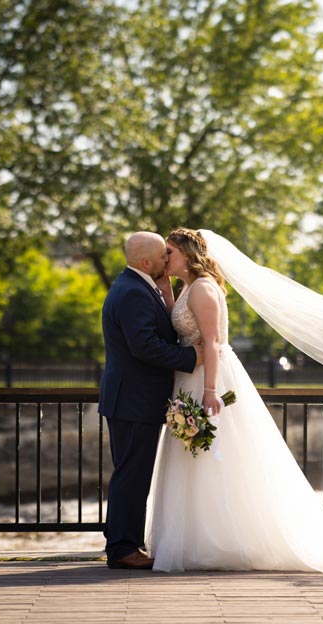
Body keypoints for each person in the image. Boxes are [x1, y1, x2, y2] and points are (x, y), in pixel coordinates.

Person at [146, 228, 323, 573]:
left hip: (207, 378)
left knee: (215, 457)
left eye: (170, 252)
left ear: (187, 255)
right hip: (188, 377)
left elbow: (213, 343)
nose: (165, 258)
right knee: (195, 459)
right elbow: (182, 325)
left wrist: (209, 391)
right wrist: (165, 291)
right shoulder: (189, 287)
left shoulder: (203, 288)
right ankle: (194, 540)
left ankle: (219, 541)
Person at [98, 232, 203, 570]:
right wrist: (191, 357)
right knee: (132, 474)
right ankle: (122, 548)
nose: (167, 259)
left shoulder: (136, 287)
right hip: (133, 399)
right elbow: (144, 346)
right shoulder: (132, 293)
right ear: (146, 262)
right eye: (163, 254)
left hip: (133, 398)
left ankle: (124, 544)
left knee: (132, 472)